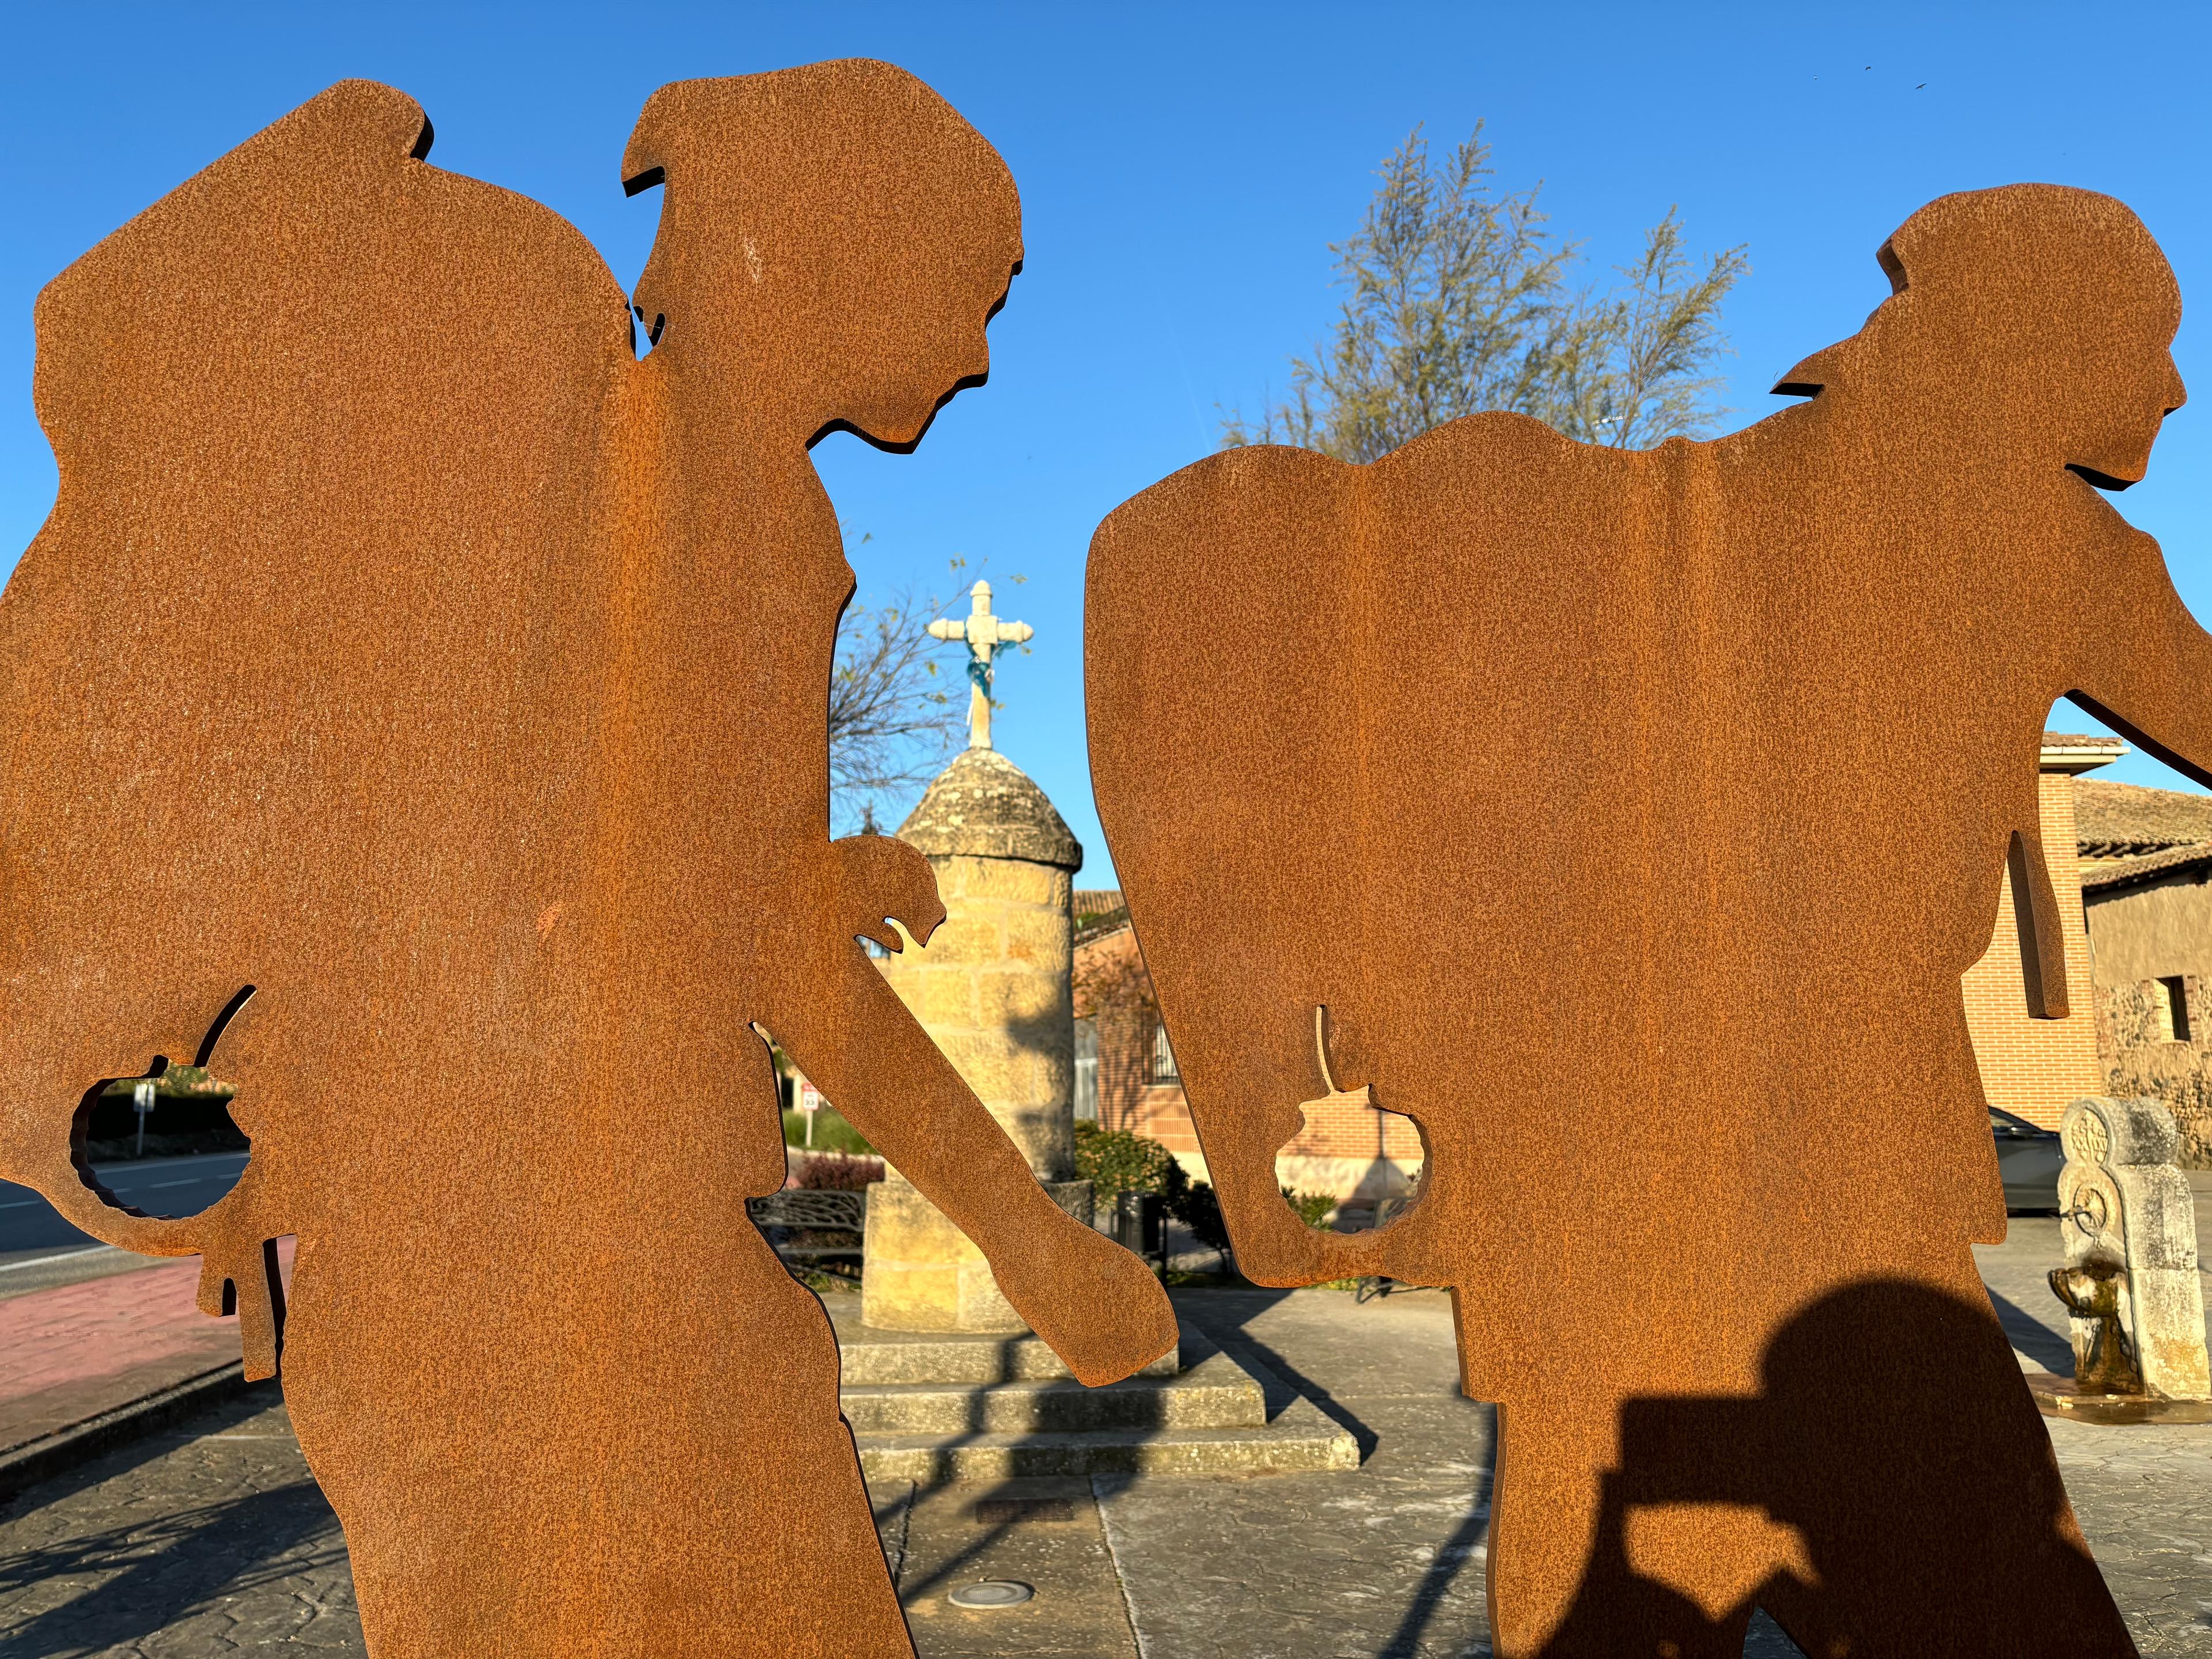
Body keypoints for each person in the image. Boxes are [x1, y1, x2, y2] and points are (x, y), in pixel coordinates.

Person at [0, 62, 1171, 1658]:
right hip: (563, 1285)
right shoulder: (729, 506)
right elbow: (744, 948)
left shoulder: (642, 474)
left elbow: (611, 874)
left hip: (489, 1269)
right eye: (970, 299)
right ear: (834, 252)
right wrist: (1042, 1249)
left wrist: (808, 881)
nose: (975, 357)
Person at [1086, 183, 2186, 1654]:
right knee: (1960, 1571)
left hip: (1620, 1192)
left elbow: (1198, 562)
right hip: (1824, 1178)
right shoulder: (2033, 544)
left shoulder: (1653, 514)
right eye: (2147, 344)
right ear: (2029, 343)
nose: (2174, 389)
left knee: (1642, 1566)